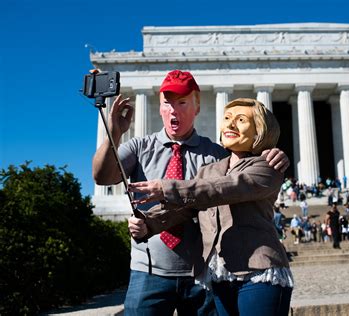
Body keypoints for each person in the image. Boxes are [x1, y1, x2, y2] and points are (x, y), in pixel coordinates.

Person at [92, 71, 289, 315]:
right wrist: (115, 133)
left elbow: (221, 188)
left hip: (202, 273)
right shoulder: (141, 147)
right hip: (150, 269)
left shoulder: (217, 155)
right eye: (167, 103)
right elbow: (102, 177)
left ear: (197, 107)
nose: (173, 110)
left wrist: (273, 152)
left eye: (182, 103)